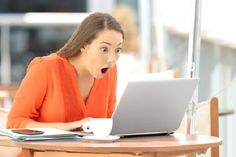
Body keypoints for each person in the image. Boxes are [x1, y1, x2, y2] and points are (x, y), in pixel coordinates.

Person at [7, 13, 124, 132]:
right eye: (104, 49)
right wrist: (66, 127)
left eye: (117, 50)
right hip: (44, 150)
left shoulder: (110, 72)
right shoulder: (45, 68)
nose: (112, 59)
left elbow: (108, 123)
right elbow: (14, 123)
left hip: (92, 150)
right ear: (84, 46)